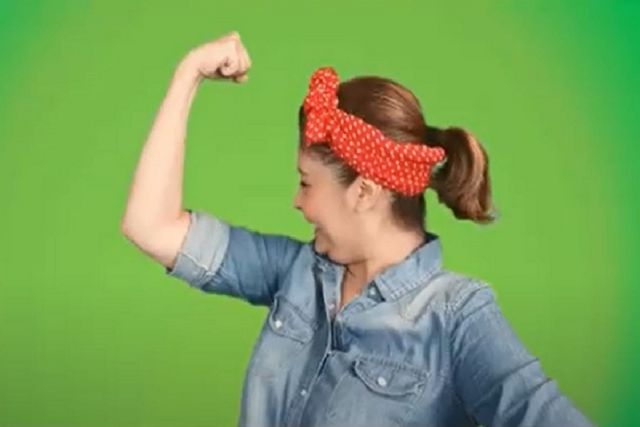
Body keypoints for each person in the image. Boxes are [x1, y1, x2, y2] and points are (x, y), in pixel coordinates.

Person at [121, 31, 595, 427]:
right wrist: (188, 74)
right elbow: (151, 226)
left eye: (306, 182)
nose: (297, 201)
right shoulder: (297, 273)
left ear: (364, 192)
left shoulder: (458, 317)